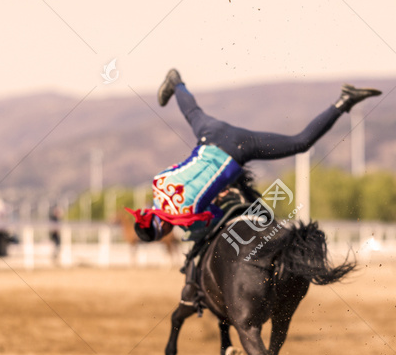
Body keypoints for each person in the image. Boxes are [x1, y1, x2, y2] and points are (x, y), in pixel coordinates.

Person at [127, 69, 381, 243]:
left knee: (300, 143)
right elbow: (187, 169)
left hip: (239, 150)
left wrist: (217, 196)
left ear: (163, 229)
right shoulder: (158, 183)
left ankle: (344, 101)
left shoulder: (187, 219)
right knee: (193, 113)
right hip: (212, 134)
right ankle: (177, 83)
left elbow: (220, 218)